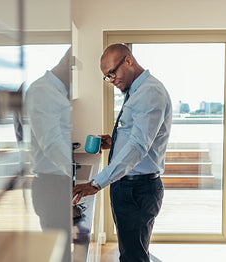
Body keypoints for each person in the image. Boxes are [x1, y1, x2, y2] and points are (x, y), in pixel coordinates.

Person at [72, 44, 172, 262]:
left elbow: (138, 145)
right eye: (107, 77)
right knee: (132, 252)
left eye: (112, 73)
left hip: (136, 189)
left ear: (128, 61)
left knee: (133, 257)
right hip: (129, 186)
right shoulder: (138, 91)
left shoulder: (149, 92)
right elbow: (137, 134)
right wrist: (114, 141)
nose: (112, 80)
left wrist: (96, 183)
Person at [24, 48, 72, 262]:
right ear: (67, 63)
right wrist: (78, 176)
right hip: (52, 187)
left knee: (62, 254)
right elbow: (51, 143)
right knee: (58, 255)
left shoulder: (58, 91)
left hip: (58, 185)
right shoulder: (42, 90)